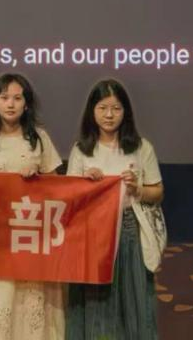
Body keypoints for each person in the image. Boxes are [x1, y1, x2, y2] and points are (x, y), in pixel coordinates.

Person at [0, 72, 65, 340]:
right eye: (4, 97)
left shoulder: (39, 138)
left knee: (28, 300)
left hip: (28, 234)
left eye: (17, 98)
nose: (10, 104)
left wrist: (38, 178)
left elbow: (57, 185)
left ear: (26, 104)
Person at [65, 79, 166, 340]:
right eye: (102, 108)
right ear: (92, 111)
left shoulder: (141, 148)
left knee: (133, 298)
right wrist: (85, 183)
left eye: (116, 108)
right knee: (97, 299)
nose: (109, 115)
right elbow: (69, 197)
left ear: (125, 112)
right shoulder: (81, 150)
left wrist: (137, 189)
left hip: (130, 227)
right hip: (92, 234)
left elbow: (158, 192)